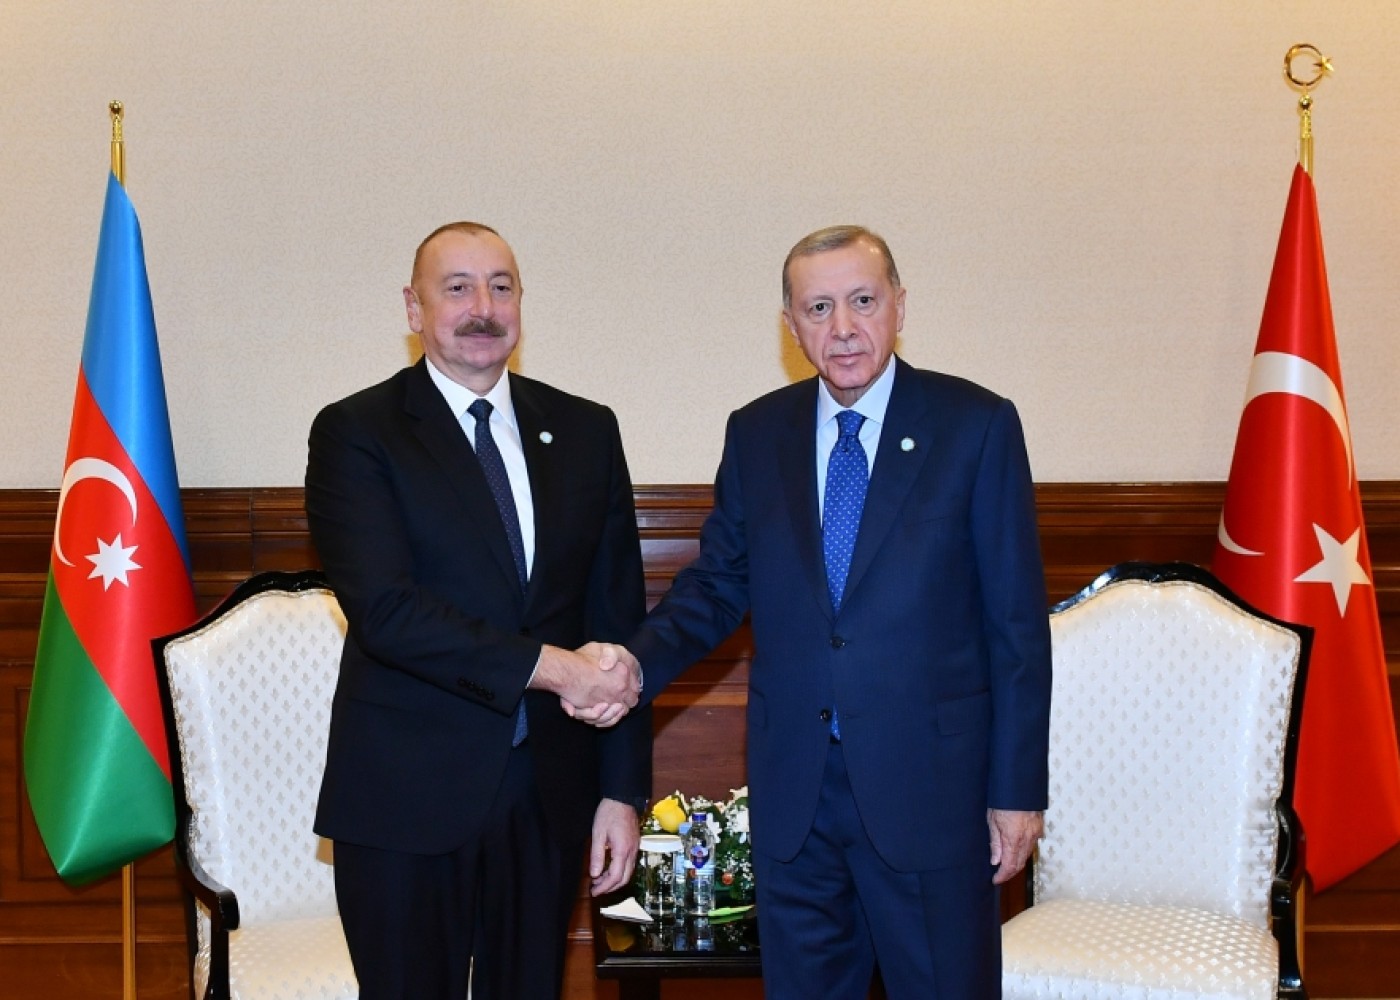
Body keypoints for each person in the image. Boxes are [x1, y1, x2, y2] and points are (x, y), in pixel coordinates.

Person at [598, 225, 1052, 998]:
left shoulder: (975, 426)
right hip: (796, 798)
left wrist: (1017, 791)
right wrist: (634, 664)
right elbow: (717, 585)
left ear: (900, 306)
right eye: (818, 308)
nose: (842, 327)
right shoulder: (757, 433)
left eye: (862, 301)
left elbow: (1016, 626)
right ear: (791, 325)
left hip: (932, 793)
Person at [305, 221, 650, 999]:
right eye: (456, 288)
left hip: (549, 795)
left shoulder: (587, 431)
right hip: (405, 795)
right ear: (414, 307)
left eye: (500, 287)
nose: (482, 308)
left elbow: (617, 617)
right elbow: (388, 610)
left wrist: (620, 792)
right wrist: (555, 668)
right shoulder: (358, 433)